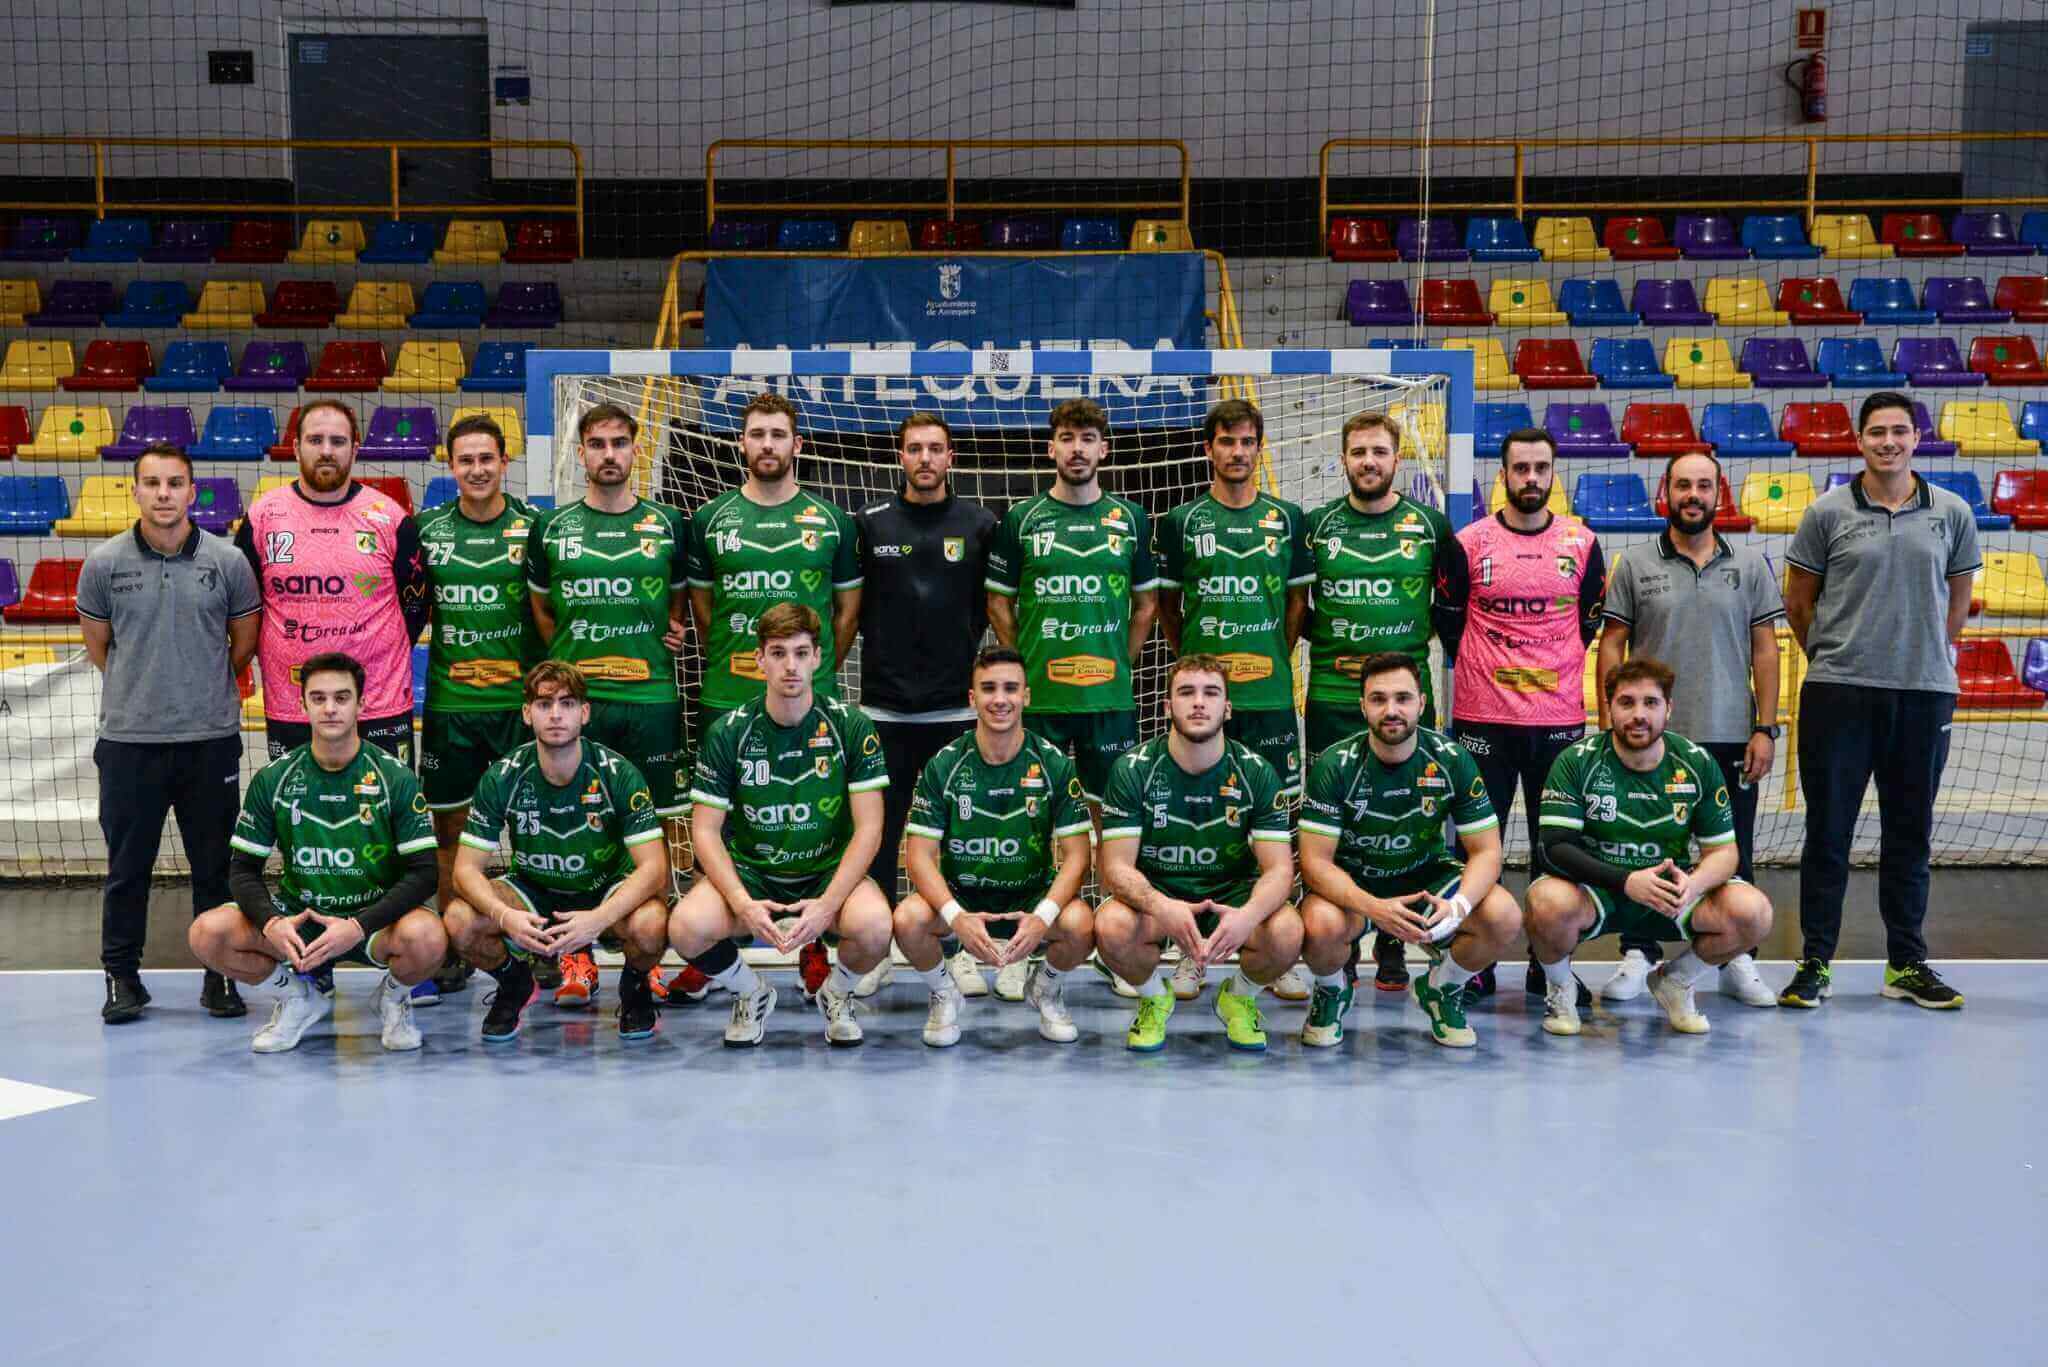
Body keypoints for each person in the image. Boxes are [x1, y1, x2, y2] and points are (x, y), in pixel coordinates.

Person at [1780, 391, 1979, 1010]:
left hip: (1923, 696)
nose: (1888, 442)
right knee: (1828, 834)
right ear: (1858, 441)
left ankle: (1907, 963)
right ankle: (1814, 961)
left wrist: (1922, 654)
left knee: (1909, 835)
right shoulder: (1826, 513)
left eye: (1899, 431)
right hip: (1839, 694)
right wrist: (1838, 658)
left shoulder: (1952, 512)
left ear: (1917, 438)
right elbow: (1797, 602)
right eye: (1876, 433)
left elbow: (1957, 602)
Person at [79, 444, 262, 1024]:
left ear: (192, 491)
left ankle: (221, 977)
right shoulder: (103, 563)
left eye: (175, 483)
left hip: (209, 741)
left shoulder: (228, 561)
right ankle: (122, 977)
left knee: (215, 869)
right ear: (134, 490)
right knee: (127, 869)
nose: (163, 494)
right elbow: (100, 648)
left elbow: (243, 644)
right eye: (152, 483)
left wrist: (194, 693)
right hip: (130, 743)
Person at [1596, 451, 1784, 1008]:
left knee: (1731, 849)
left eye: (1704, 485)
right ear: (1666, 491)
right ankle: (1640, 951)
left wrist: (1765, 728)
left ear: (1719, 494)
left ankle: (1735, 956)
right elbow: (1611, 644)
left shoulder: (1749, 565)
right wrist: (1613, 719)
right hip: (1650, 737)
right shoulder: (1633, 563)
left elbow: (1765, 648)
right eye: (1683, 485)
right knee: (1642, 842)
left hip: (1729, 732)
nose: (1693, 494)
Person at [986, 397, 1158, 1000]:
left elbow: (1146, 607)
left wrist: (1119, 664)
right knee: (1034, 824)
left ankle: (1113, 946)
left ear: (1104, 449)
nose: (1078, 448)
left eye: (1089, 438)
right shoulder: (1022, 519)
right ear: (1051, 448)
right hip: (1042, 704)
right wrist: (1026, 670)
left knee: (1117, 828)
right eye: (1067, 437)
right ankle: (1019, 945)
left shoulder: (1130, 519)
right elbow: (999, 603)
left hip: (1109, 702)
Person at [187, 653, 446, 1054]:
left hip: (372, 923)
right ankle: (297, 999)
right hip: (302, 920)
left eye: (342, 698)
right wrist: (272, 921)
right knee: (207, 933)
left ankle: (392, 999)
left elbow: (425, 872)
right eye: (319, 697)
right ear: (302, 704)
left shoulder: (394, 776)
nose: (330, 708)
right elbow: (242, 870)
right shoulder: (275, 778)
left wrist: (358, 926)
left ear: (362, 704)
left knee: (428, 937)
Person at [526, 402, 695, 1002]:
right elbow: (542, 610)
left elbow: (679, 607)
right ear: (580, 453)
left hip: (650, 701)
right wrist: (570, 665)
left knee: (666, 830)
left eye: (620, 443)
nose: (608, 455)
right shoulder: (552, 528)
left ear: (636, 450)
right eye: (596, 444)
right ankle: (575, 956)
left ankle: (645, 957)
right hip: (577, 707)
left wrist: (670, 633)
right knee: (570, 824)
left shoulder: (670, 524)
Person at [668, 603, 893, 1046]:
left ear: (817, 658)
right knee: (685, 926)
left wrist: (829, 904)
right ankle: (751, 993)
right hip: (755, 874)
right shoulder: (728, 733)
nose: (790, 665)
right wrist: (742, 902)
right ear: (759, 660)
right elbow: (707, 831)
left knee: (876, 927)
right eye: (777, 653)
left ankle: (837, 993)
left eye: (800, 652)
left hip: (826, 872)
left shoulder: (851, 726)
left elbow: (870, 828)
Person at [1436, 427, 1606, 1002]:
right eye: (1520, 468)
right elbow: (1450, 622)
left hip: (1558, 722)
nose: (1531, 478)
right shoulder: (1470, 543)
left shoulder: (1581, 544)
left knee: (1554, 849)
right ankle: (1476, 961)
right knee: (1475, 848)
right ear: (1502, 475)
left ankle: (1547, 963)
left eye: (1541, 467)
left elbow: (1588, 622)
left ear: (1554, 473)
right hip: (1483, 721)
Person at [1154, 398, 1314, 1004]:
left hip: (1269, 694)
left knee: (1275, 822)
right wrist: (1198, 662)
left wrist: (1271, 651)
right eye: (1226, 441)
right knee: (1197, 816)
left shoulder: (1288, 518)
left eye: (1248, 441)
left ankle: (1274, 950)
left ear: (1260, 446)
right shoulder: (1180, 520)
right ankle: (1191, 950)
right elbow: (1169, 606)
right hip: (1204, 698)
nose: (1238, 452)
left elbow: (1296, 608)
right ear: (1209, 449)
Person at [1525, 657, 1774, 1037]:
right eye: (1626, 703)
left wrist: (1693, 885)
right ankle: (1560, 989)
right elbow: (1555, 847)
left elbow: (1724, 853)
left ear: (1669, 709)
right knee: (1544, 903)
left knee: (1754, 912)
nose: (1638, 715)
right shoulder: (1577, 761)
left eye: (1650, 703)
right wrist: (1626, 881)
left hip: (1671, 894)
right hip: (1601, 891)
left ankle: (1676, 981)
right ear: (1609, 708)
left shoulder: (1696, 764)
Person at [1303, 409, 1458, 994]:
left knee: (1412, 820)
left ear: (1398, 459)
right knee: (1336, 825)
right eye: (1358, 452)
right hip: (1332, 696)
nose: (1369, 462)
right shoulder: (1316, 527)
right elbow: (1299, 608)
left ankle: (1395, 940)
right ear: (1343, 459)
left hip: (1407, 704)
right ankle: (1344, 941)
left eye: (1379, 452)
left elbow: (1449, 610)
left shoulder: (1431, 526)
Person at [441, 662, 673, 1043]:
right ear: (526, 713)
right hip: (533, 892)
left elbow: (654, 869)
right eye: (544, 704)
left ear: (584, 713)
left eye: (566, 704)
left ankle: (635, 989)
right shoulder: (504, 775)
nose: (555, 715)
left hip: (603, 890)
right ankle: (514, 983)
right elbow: (465, 871)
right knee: (459, 921)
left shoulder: (618, 773)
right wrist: (505, 916)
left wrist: (599, 918)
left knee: (651, 925)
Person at [1296, 654, 1520, 1048]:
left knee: (1503, 915)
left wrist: (1460, 907)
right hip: (1357, 883)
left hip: (1425, 877)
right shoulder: (1335, 765)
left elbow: (1487, 851)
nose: (1391, 710)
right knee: (1319, 926)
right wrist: (1374, 908)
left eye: (1402, 698)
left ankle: (1442, 987)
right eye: (1378, 699)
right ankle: (1331, 991)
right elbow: (1314, 863)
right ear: (1362, 706)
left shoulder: (1451, 760)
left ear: (1421, 702)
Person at [851, 411, 996, 1002]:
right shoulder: (868, 523)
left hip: (953, 711)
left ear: (952, 457)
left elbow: (994, 607)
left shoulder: (982, 524)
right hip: (884, 709)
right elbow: (850, 605)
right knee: (880, 835)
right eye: (915, 449)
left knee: (953, 839)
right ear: (900, 457)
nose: (926, 459)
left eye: (936, 449)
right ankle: (879, 947)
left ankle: (957, 947)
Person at [1093, 655, 1302, 1052]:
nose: (1199, 703)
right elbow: (1115, 867)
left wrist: (1249, 916)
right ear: (1167, 705)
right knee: (1111, 927)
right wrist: (1161, 906)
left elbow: (1279, 870)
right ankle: (1155, 997)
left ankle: (1238, 997)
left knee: (1288, 930)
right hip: (1160, 895)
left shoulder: (1256, 771)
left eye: (1211, 693)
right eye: (1186, 692)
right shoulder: (1133, 769)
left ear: (1227, 708)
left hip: (1231, 898)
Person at [893, 646, 1096, 1046]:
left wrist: (1043, 916)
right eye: (988, 689)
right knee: (907, 920)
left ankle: (1047, 989)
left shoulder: (1053, 763)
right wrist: (956, 917)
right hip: (963, 896)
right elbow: (918, 857)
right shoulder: (945, 764)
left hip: (1030, 896)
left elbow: (1078, 856)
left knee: (1081, 925)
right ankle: (944, 993)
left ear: (1026, 696)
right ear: (972, 698)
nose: (999, 699)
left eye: (1010, 688)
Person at [416, 413, 540, 1000]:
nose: (476, 469)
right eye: (465, 460)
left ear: (504, 462)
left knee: (536, 831)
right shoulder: (427, 530)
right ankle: (448, 951)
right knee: (451, 836)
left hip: (520, 710)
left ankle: (541, 945)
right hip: (451, 709)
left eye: (486, 458)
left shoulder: (535, 529)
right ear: (450, 465)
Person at [233, 400, 429, 762]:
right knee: (295, 816)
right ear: (295, 447)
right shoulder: (263, 517)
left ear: (355, 449)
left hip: (378, 705)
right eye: (315, 440)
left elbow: (414, 607)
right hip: (292, 706)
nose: (326, 451)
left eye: (337, 442)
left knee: (383, 814)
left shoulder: (388, 518)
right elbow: (245, 606)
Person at [684, 390, 861, 733]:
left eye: (778, 435)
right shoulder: (708, 518)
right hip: (727, 695)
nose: (767, 444)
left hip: (812, 697)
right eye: (757, 434)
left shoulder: (833, 520)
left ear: (797, 445)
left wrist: (814, 669)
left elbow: (848, 615)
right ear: (741, 443)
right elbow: (705, 615)